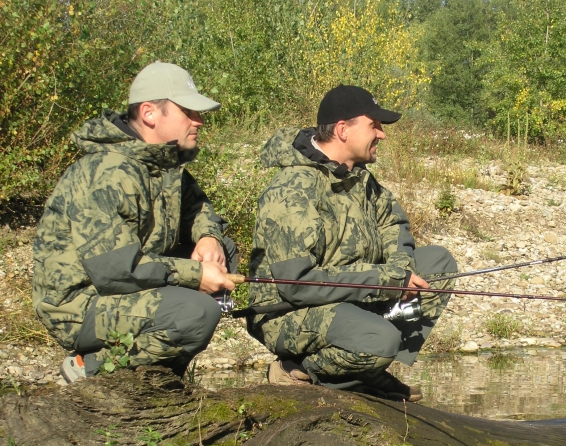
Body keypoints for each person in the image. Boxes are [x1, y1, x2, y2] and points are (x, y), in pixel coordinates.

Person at [246, 85, 457, 401]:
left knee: (437, 264)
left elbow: (393, 224)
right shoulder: (293, 190)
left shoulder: (360, 177)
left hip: (351, 295)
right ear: (343, 130)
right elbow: (297, 285)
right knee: (380, 340)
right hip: (290, 313)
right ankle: (296, 368)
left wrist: (400, 269)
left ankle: (366, 371)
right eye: (374, 125)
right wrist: (387, 281)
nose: (382, 134)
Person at [33, 62, 236, 384]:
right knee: (196, 312)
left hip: (123, 287)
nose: (198, 121)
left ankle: (163, 374)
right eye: (188, 111)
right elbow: (116, 271)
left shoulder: (163, 166)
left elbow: (198, 207)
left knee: (224, 251)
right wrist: (195, 275)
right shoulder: (105, 173)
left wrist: (208, 237)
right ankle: (91, 368)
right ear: (149, 113)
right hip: (80, 306)